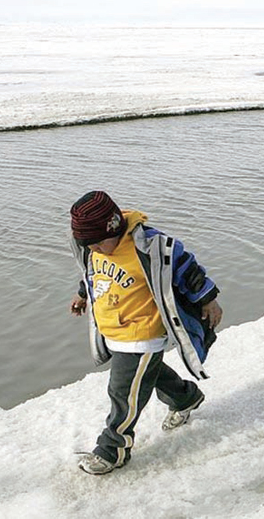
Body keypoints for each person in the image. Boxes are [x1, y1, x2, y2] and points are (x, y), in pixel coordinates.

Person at [67, 190, 223, 475]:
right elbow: (91, 273)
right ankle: (185, 398)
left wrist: (208, 299)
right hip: (113, 330)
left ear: (113, 225)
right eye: (90, 245)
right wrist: (82, 295)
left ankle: (112, 449)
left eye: (100, 242)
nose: (97, 250)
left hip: (143, 332)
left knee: (122, 392)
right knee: (146, 374)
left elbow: (187, 269)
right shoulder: (95, 247)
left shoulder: (150, 246)